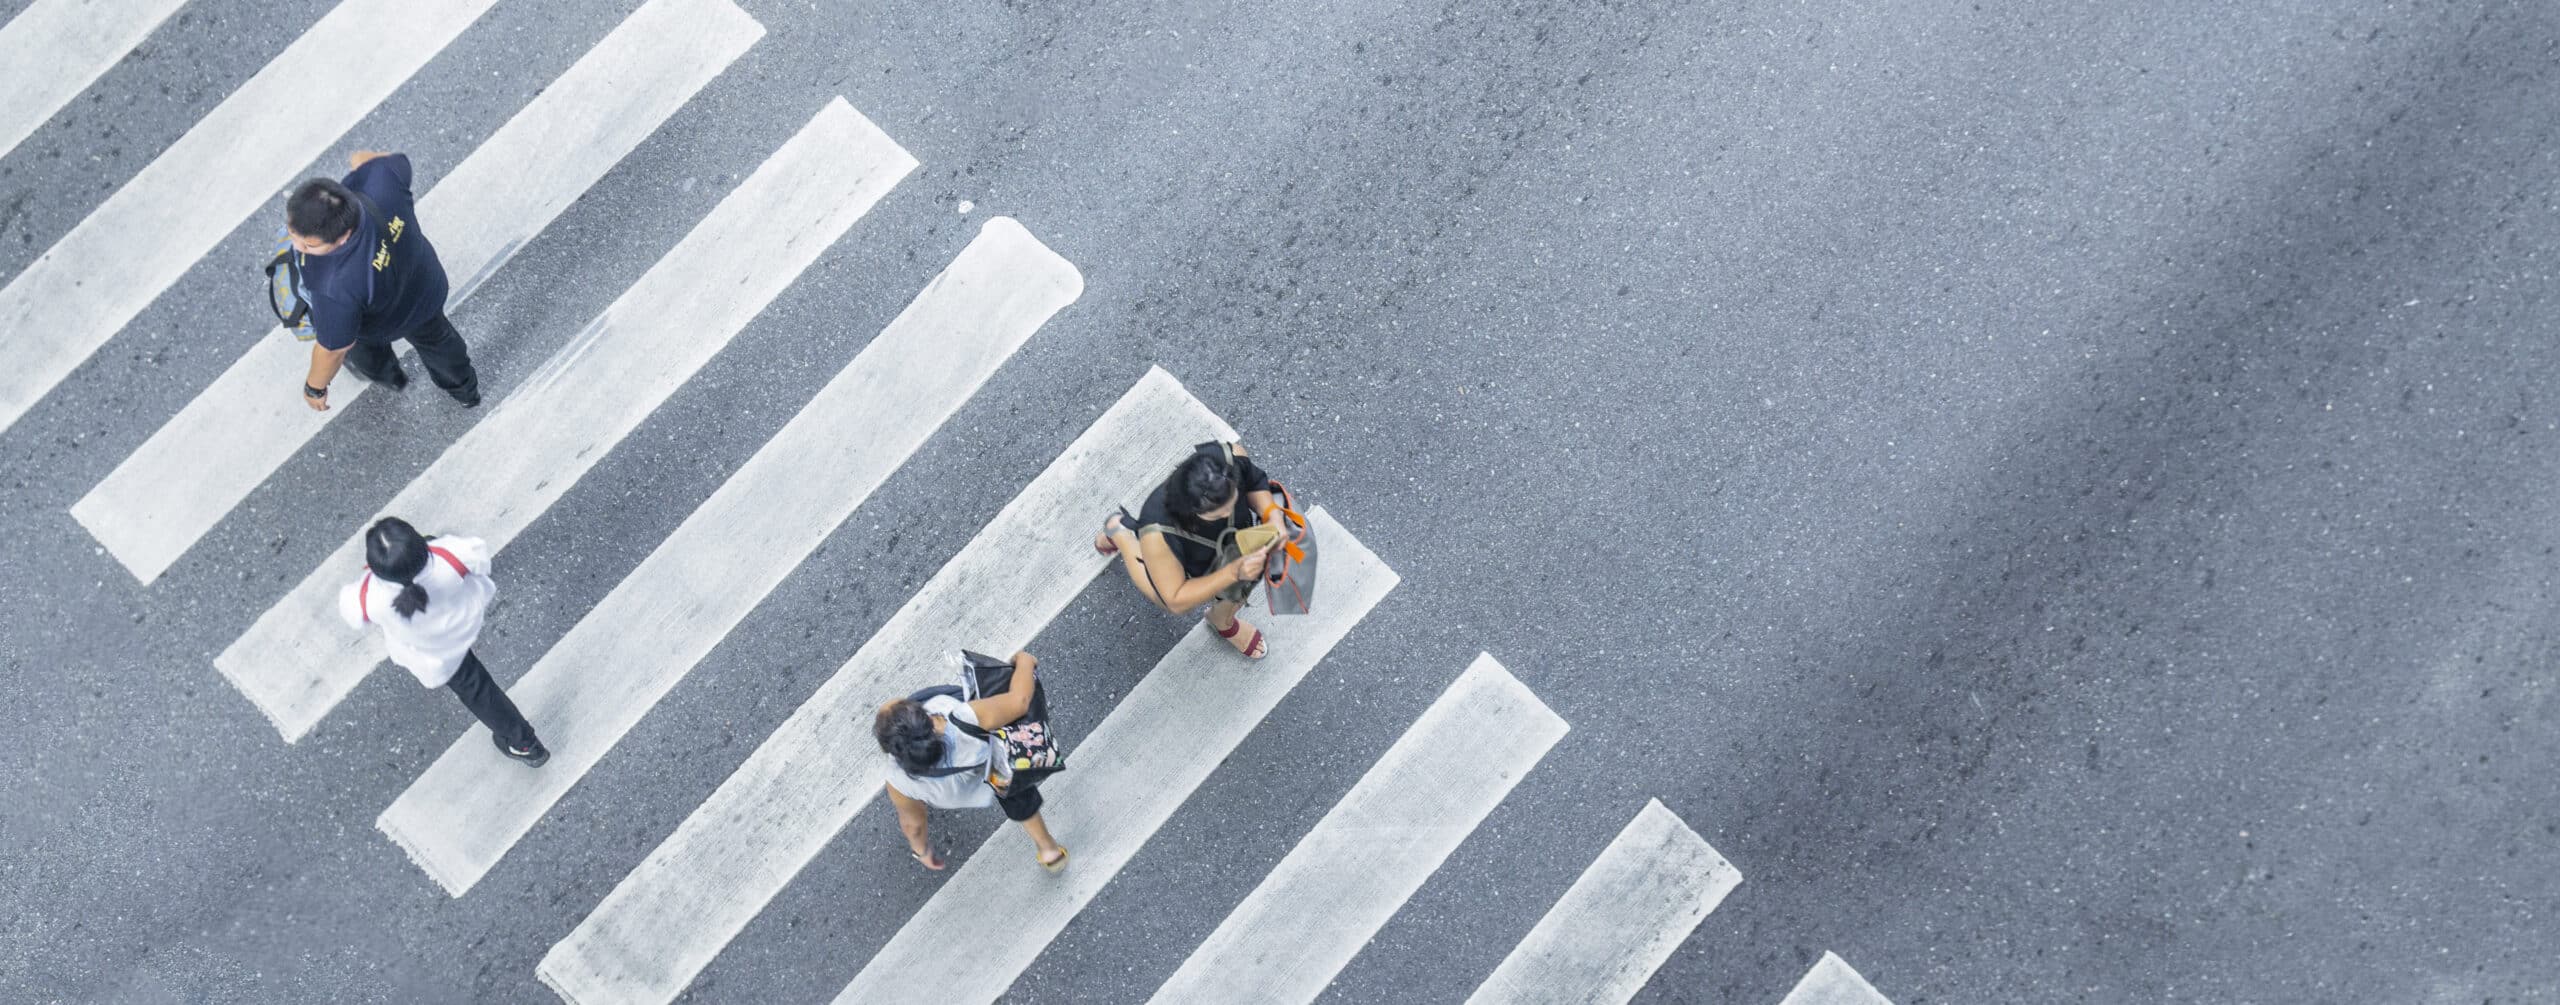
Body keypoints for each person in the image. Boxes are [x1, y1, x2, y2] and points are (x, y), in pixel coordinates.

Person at [336, 517, 547, 766]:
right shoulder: (450, 555)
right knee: (481, 691)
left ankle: (525, 744)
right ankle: (521, 743)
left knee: (478, 691)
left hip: (435, 655)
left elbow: (352, 613)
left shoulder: (367, 597)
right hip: (465, 621)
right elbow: (480, 558)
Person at [283, 150, 480, 411]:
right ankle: (466, 392)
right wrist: (361, 163)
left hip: (376, 327)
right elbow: (367, 159)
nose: (297, 248)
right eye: (293, 234)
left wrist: (314, 388)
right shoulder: (382, 179)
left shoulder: (333, 288)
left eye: (308, 245)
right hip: (424, 291)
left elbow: (333, 349)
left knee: (367, 356)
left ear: (342, 238)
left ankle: (393, 379)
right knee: (440, 343)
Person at [875, 651, 1068, 873]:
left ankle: (1048, 850)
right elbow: (1020, 701)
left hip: (959, 792)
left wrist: (923, 852)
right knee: (1017, 796)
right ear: (928, 719)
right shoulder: (964, 718)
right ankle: (1048, 850)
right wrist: (1025, 661)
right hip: (994, 764)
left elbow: (913, 825)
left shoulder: (898, 780)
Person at [1095, 441, 1279, 659]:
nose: (1230, 510)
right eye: (1220, 512)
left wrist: (1272, 515)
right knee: (1160, 590)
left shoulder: (1229, 457)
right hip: (1193, 562)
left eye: (1234, 500)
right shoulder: (1158, 532)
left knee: (1238, 588)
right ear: (1191, 510)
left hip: (1234, 550)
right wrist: (1233, 572)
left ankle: (1222, 620)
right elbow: (1175, 600)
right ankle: (1120, 531)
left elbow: (1254, 481)